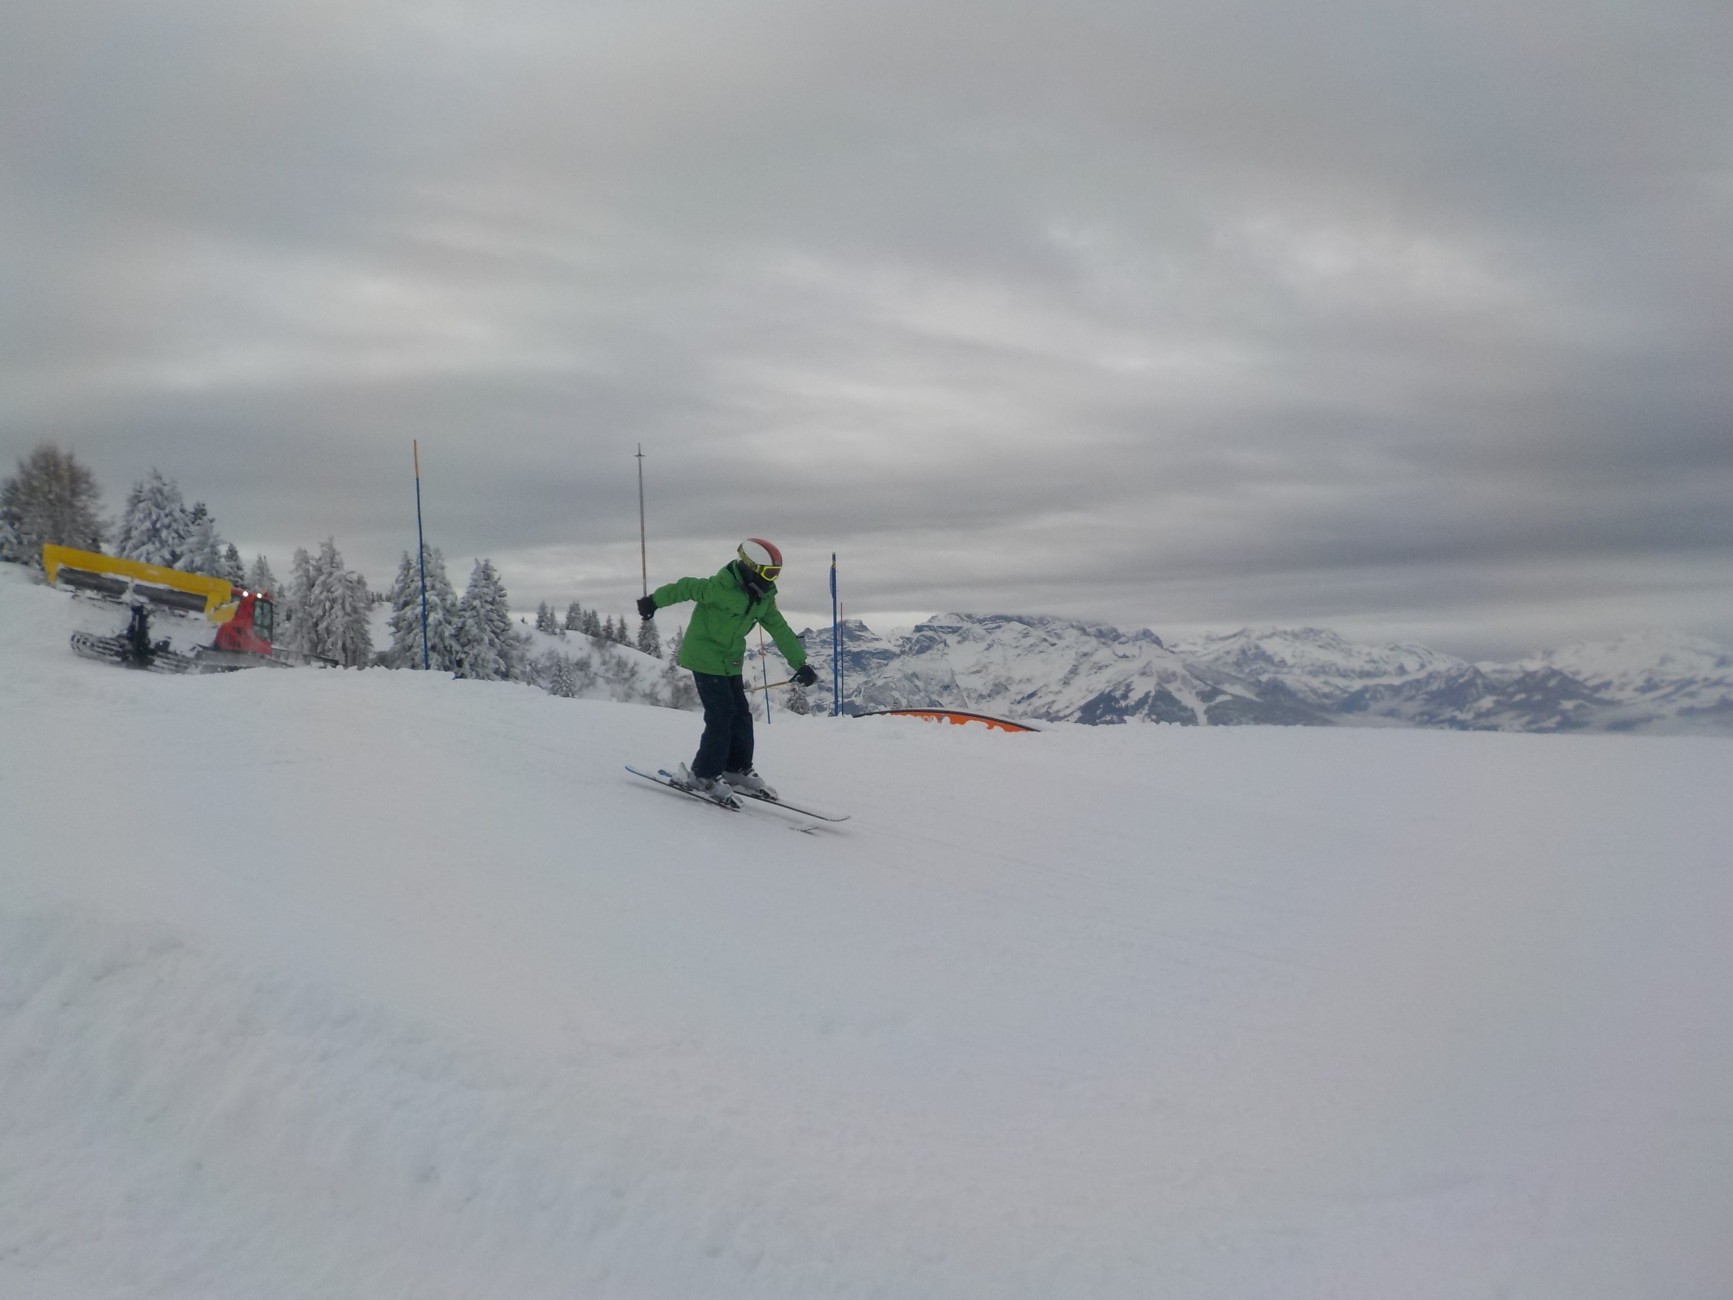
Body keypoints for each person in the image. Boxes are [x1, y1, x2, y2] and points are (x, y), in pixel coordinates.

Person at [637, 538, 820, 803]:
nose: (772, 580)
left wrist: (800, 662)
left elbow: (779, 628)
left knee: (741, 715)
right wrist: (653, 601)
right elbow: (684, 588)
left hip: (730, 662)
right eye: (769, 573)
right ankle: (703, 774)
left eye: (776, 574)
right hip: (704, 657)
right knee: (721, 715)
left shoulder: (763, 598)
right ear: (750, 567)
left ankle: (736, 768)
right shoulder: (718, 588)